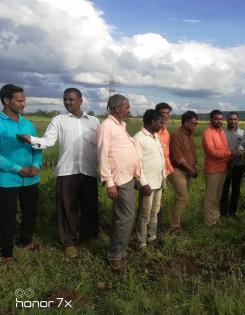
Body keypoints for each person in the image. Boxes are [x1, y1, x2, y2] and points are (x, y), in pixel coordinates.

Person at [22, 88, 99, 258]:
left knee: (90, 205)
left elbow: (101, 145)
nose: (67, 102)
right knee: (67, 208)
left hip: (89, 169)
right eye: (65, 99)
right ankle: (69, 242)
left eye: (71, 99)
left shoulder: (94, 121)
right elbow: (48, 140)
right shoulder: (59, 120)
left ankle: (89, 236)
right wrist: (32, 139)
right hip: (67, 170)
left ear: (80, 101)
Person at [97, 94, 140, 272]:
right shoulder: (107, 126)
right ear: (116, 108)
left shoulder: (120, 126)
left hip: (127, 177)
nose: (129, 109)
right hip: (118, 180)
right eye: (127, 106)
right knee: (127, 217)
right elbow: (102, 154)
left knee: (120, 217)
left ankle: (119, 250)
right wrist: (109, 182)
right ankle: (115, 255)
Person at [0, 84, 42, 264]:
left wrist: (36, 165)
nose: (23, 104)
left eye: (24, 100)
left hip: (31, 178)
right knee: (7, 216)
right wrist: (17, 169)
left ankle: (25, 241)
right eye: (20, 100)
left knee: (30, 212)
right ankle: (6, 253)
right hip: (7, 179)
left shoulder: (27, 123)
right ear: (6, 101)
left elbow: (37, 146)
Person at [202, 110, 239, 227]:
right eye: (216, 119)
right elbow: (212, 152)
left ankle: (216, 218)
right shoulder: (207, 133)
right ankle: (209, 222)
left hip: (223, 169)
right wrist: (230, 154)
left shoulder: (221, 132)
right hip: (212, 170)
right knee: (210, 197)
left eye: (221, 119)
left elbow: (225, 148)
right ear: (211, 119)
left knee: (218, 196)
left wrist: (228, 153)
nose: (219, 121)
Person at [133, 110, 165, 248]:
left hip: (158, 181)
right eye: (160, 121)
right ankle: (141, 241)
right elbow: (137, 163)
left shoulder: (155, 136)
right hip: (148, 184)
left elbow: (160, 158)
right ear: (152, 122)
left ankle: (151, 236)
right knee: (145, 213)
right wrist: (143, 183)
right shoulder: (139, 138)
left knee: (155, 211)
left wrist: (163, 176)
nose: (162, 124)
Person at [168, 111, 199, 233]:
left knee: (180, 198)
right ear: (186, 123)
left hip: (187, 171)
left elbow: (192, 153)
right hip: (177, 171)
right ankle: (174, 228)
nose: (195, 126)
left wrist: (195, 165)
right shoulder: (177, 135)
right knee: (183, 198)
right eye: (194, 124)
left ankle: (176, 222)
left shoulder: (189, 135)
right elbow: (177, 157)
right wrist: (191, 169)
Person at [220, 111, 244, 217]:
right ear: (227, 120)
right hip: (226, 164)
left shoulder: (243, 133)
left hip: (239, 164)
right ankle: (223, 212)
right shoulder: (222, 132)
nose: (233, 121)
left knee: (236, 189)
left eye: (235, 119)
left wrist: (241, 153)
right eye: (231, 119)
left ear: (238, 120)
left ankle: (233, 212)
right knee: (224, 188)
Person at [155, 102, 174, 233]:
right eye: (162, 113)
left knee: (158, 202)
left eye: (167, 113)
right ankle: (146, 231)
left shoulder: (166, 132)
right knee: (148, 204)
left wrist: (168, 169)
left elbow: (166, 154)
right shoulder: (152, 130)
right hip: (152, 171)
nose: (165, 116)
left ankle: (158, 229)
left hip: (163, 172)